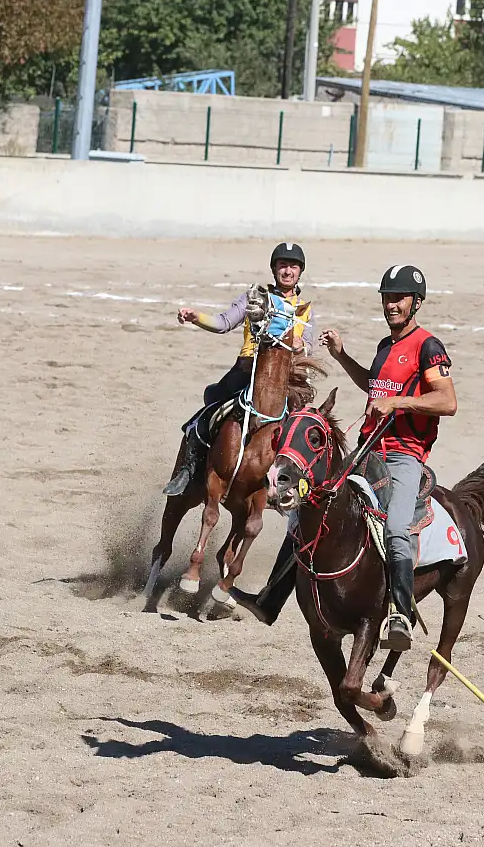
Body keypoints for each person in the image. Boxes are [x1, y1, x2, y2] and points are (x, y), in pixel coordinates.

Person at [231, 264, 457, 652]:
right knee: (309, 506)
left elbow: (447, 401)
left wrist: (398, 402)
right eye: (387, 297)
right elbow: (375, 386)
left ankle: (400, 614)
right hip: (368, 451)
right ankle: (271, 600)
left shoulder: (428, 346)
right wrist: (340, 356)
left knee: (396, 530)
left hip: (404, 456)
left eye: (399, 298)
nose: (392, 304)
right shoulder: (387, 346)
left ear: (415, 303)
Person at [162, 242, 317, 496]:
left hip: (285, 379)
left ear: (300, 272)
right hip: (247, 370)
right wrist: (196, 317)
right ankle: (188, 470)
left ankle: (292, 488)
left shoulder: (305, 310)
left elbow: (309, 347)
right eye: (282, 265)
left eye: (293, 266)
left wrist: (300, 345)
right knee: (208, 410)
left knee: (302, 429)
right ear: (274, 269)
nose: (287, 271)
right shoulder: (255, 297)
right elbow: (223, 323)